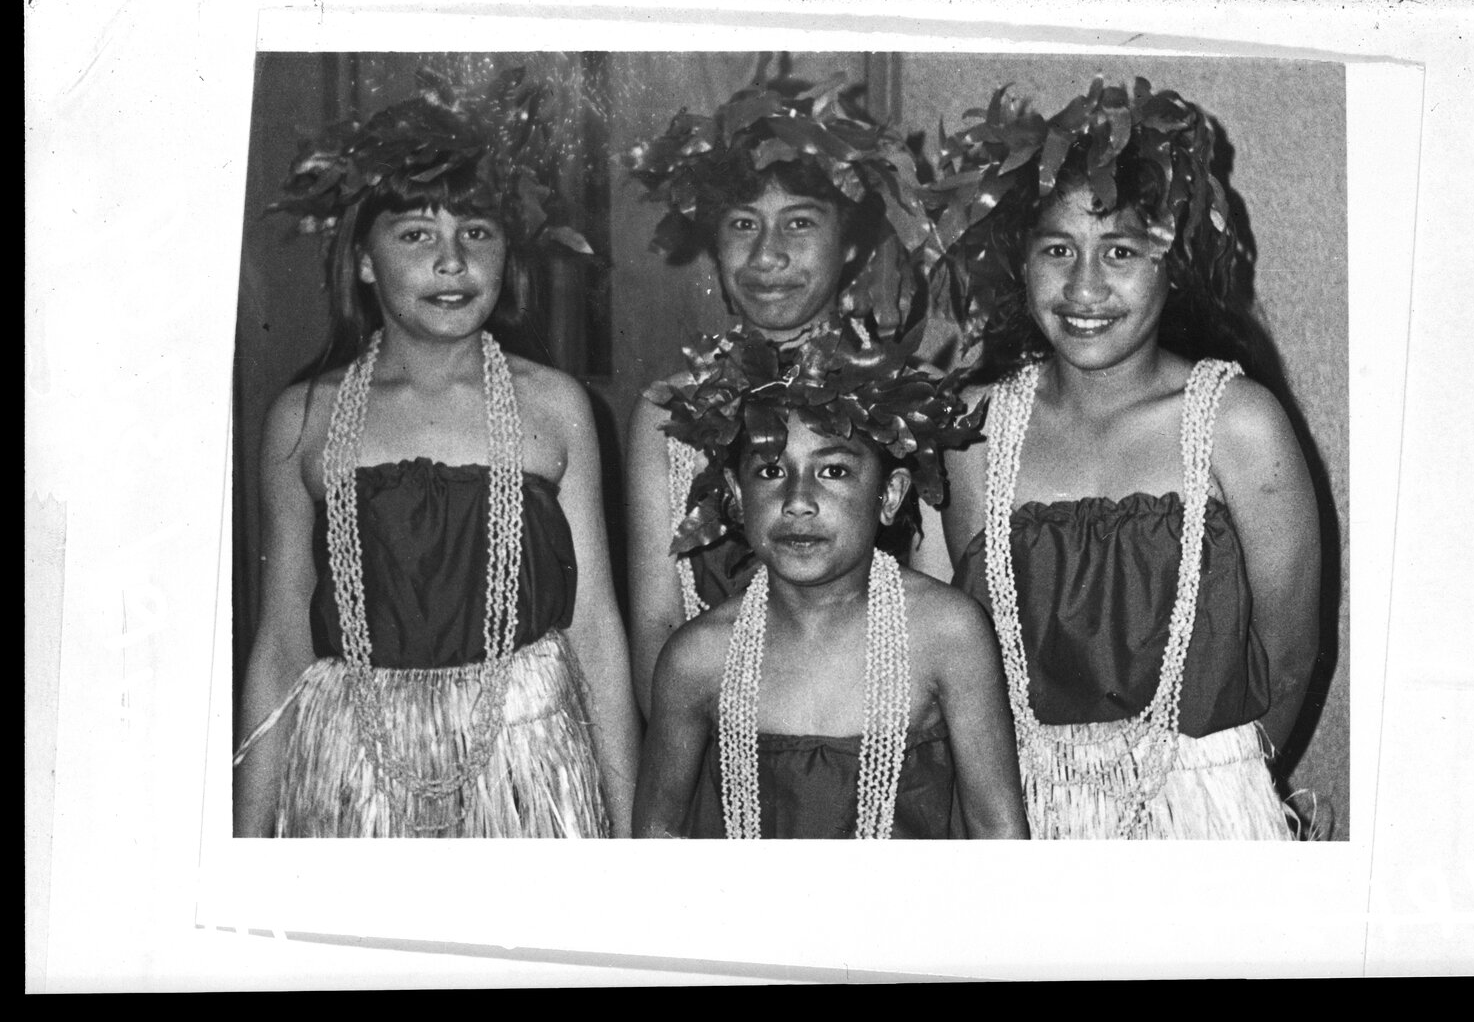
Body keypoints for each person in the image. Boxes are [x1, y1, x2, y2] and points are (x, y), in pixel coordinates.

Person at [232, 69, 640, 837]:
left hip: (526, 757)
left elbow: (594, 627)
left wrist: (622, 826)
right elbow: (283, 633)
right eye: (417, 235)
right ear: (362, 261)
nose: (452, 263)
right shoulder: (306, 418)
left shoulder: (553, 406)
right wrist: (246, 841)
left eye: (476, 234)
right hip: (355, 769)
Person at [932, 77, 1321, 839]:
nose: (1084, 286)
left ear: (1172, 263)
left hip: (1202, 814)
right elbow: (954, 661)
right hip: (1019, 819)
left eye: (1120, 251)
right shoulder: (974, 427)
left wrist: (1209, 797)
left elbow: (1291, 656)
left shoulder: (1237, 423)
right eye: (1056, 249)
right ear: (1018, 261)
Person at [620, 75, 942, 721]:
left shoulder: (911, 394)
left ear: (849, 243)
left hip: (874, 721)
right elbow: (657, 617)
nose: (768, 256)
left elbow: (940, 593)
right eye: (743, 225)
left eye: (799, 223)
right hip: (718, 726)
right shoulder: (666, 412)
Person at [632, 321, 1028, 839]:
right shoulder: (700, 657)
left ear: (889, 496)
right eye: (771, 471)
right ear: (734, 493)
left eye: (834, 471)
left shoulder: (947, 634)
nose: (797, 500)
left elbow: (998, 833)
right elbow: (656, 834)